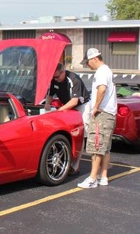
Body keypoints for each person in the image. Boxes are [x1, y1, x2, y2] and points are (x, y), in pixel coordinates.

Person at [77, 48, 117, 189]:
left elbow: (102, 88)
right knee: (105, 148)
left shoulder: (101, 72)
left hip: (102, 114)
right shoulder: (107, 71)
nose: (88, 65)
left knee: (96, 146)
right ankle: (103, 176)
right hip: (109, 113)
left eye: (88, 62)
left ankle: (92, 178)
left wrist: (95, 107)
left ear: (94, 59)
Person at [44, 63, 91, 173]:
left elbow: (74, 101)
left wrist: (60, 111)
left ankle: (76, 165)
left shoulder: (74, 80)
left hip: (81, 106)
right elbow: (51, 94)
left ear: (63, 72)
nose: (55, 79)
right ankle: (67, 158)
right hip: (66, 105)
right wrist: (47, 104)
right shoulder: (54, 80)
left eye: (57, 77)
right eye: (53, 77)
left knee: (80, 134)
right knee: (67, 131)